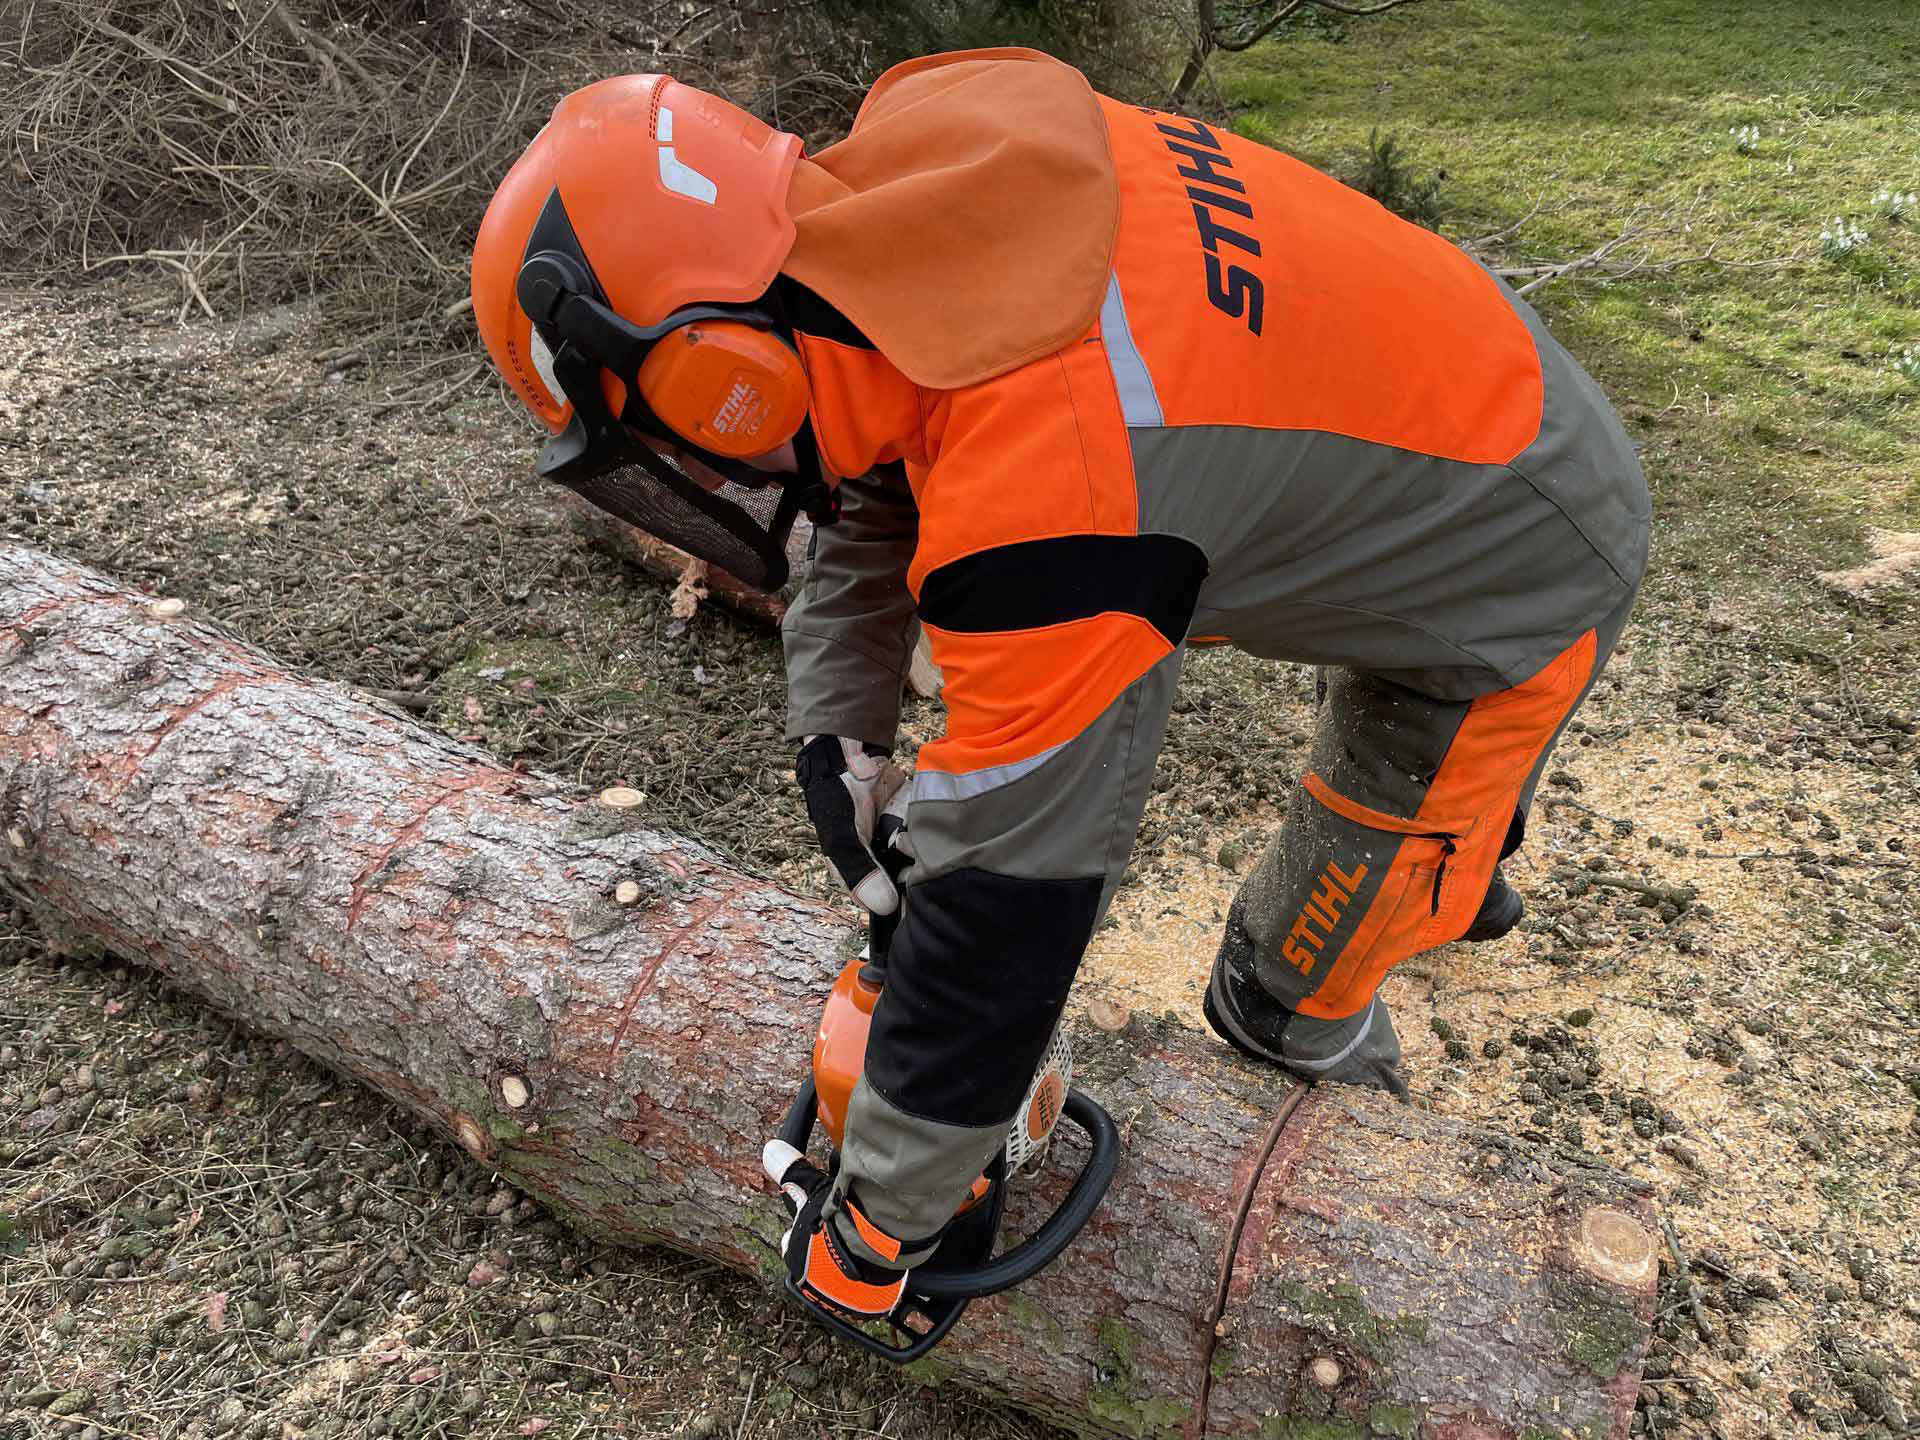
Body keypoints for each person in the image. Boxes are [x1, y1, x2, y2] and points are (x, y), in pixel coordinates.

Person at [469, 48, 1649, 1322]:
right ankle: (1458, 854)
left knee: (1287, 985)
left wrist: (878, 1234)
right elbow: (882, 446)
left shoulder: (1060, 501)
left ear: (712, 374)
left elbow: (1009, 904)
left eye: (657, 434)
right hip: (1447, 374)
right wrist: (840, 731)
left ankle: (1375, 1011)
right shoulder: (930, 150)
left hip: (1528, 547)